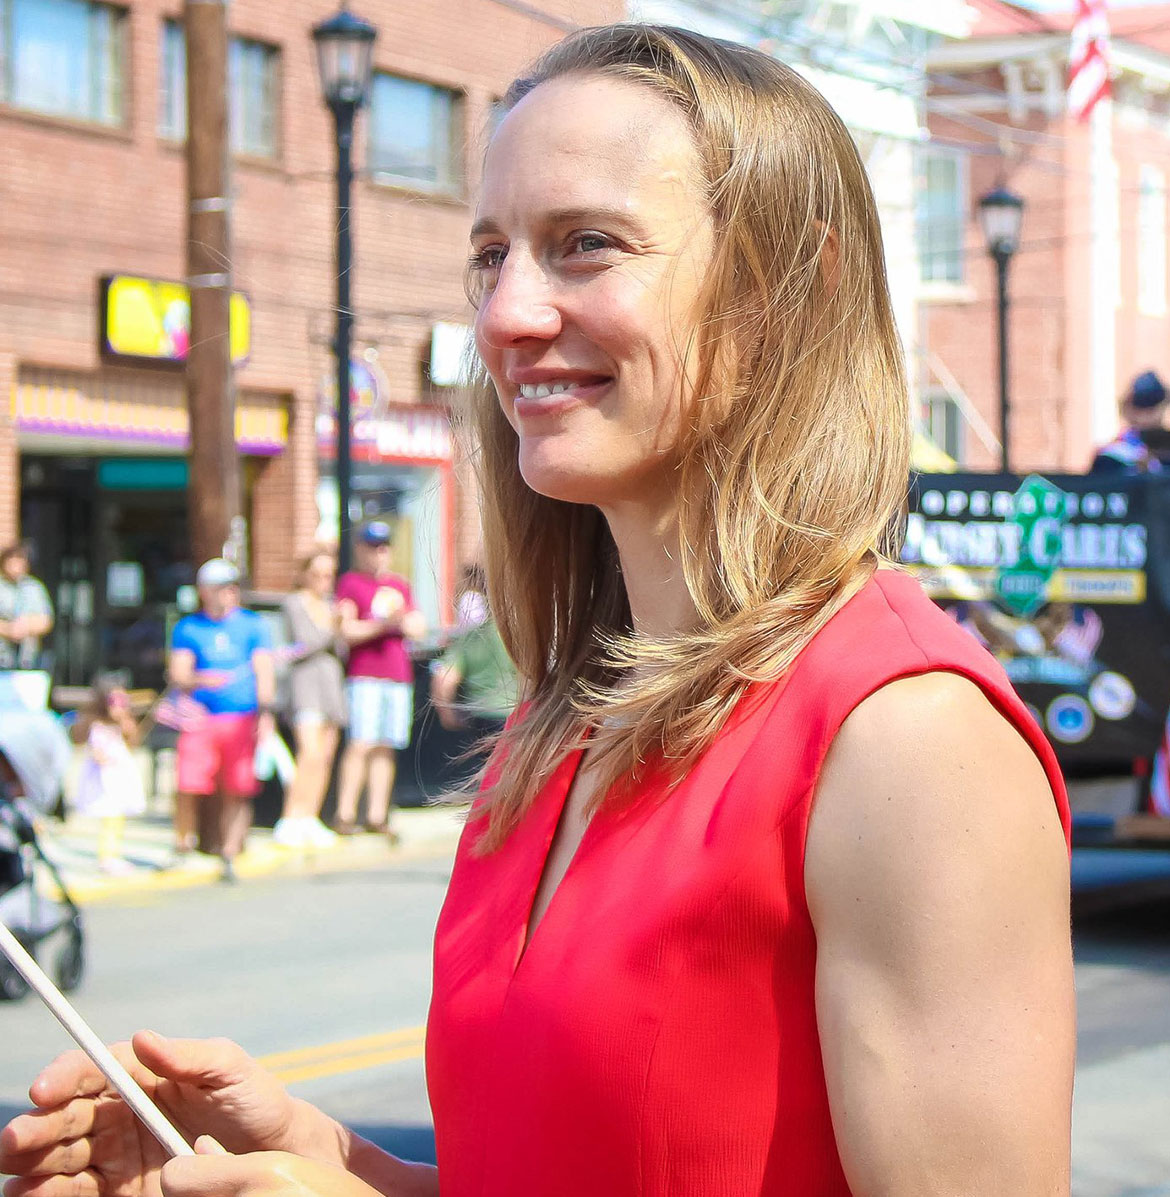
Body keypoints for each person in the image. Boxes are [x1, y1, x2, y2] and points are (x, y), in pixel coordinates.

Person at [0, 25, 1075, 1197]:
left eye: (586, 246)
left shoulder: (907, 739)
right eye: (492, 254)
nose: (507, 315)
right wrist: (320, 1160)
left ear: (785, 293)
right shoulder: (558, 723)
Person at [167, 558, 275, 882]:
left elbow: (264, 669)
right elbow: (178, 673)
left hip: (241, 718)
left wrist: (265, 712)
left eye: (231, 587)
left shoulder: (253, 625)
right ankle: (182, 845)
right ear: (204, 592)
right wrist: (202, 680)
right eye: (219, 588)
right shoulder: (189, 627)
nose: (227, 593)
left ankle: (230, 850)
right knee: (188, 783)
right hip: (200, 718)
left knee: (238, 787)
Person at [333, 521, 426, 839]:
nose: (378, 554)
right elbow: (346, 631)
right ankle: (345, 812)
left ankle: (377, 813)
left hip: (397, 674)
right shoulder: (351, 584)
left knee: (387, 744)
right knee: (361, 742)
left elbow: (417, 627)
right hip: (365, 674)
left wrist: (398, 621)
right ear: (360, 549)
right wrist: (383, 624)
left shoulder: (399, 587)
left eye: (383, 547)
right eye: (372, 547)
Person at [275, 550, 344, 848]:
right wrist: (335, 626)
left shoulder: (330, 605)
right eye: (318, 574)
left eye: (329, 574)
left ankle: (310, 816)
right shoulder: (295, 604)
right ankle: (291, 816)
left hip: (331, 684)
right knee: (309, 753)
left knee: (326, 755)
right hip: (305, 686)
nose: (324, 581)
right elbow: (304, 644)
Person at [68, 679, 147, 874]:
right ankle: (107, 856)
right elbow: (93, 749)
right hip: (104, 778)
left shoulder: (122, 723)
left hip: (120, 776)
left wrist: (125, 721)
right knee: (109, 818)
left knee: (117, 818)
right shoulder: (96, 725)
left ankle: (113, 853)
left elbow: (134, 740)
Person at [429, 607, 519, 741]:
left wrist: (447, 715)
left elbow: (445, 678)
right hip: (515, 714)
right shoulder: (518, 636)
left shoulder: (472, 637)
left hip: (481, 715)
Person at [0, 541, 54, 710]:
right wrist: (8, 630)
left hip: (27, 662)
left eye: (20, 560)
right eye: (12, 560)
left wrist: (26, 626)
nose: (17, 565)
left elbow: (46, 620)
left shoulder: (33, 588)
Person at [1089, 369, 1167, 473]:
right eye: (1140, 408)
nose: (1145, 416)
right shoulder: (1111, 456)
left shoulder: (1166, 450)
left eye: (1151, 408)